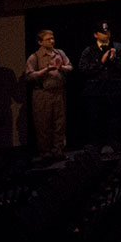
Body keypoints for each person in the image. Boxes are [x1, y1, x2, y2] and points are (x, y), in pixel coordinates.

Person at [75, 22, 121, 155]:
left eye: (108, 31)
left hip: (115, 90)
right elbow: (83, 68)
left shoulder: (118, 47)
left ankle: (117, 144)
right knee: (96, 119)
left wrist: (115, 60)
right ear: (96, 35)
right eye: (103, 32)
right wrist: (100, 63)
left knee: (116, 119)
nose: (106, 34)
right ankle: (97, 145)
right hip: (96, 92)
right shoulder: (89, 50)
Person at [24, 29, 71, 161]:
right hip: (43, 93)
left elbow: (70, 67)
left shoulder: (59, 53)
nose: (52, 41)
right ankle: (46, 151)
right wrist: (46, 70)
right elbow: (29, 76)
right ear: (40, 42)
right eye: (48, 39)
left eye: (52, 38)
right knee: (43, 123)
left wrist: (61, 67)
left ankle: (58, 149)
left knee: (59, 122)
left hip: (58, 92)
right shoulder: (35, 57)